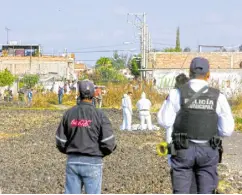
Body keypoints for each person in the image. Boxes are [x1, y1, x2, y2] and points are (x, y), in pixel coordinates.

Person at [157, 57, 234, 194]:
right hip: (208, 150)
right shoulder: (218, 97)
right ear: (208, 75)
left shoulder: (177, 93)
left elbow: (164, 121)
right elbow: (227, 131)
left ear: (189, 73)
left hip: (182, 150)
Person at [56, 79, 116, 194]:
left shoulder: (68, 114)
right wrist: (101, 153)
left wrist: (70, 151)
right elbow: (108, 142)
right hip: (93, 162)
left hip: (73, 161)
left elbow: (60, 140)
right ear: (94, 94)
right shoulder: (100, 115)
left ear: (79, 93)